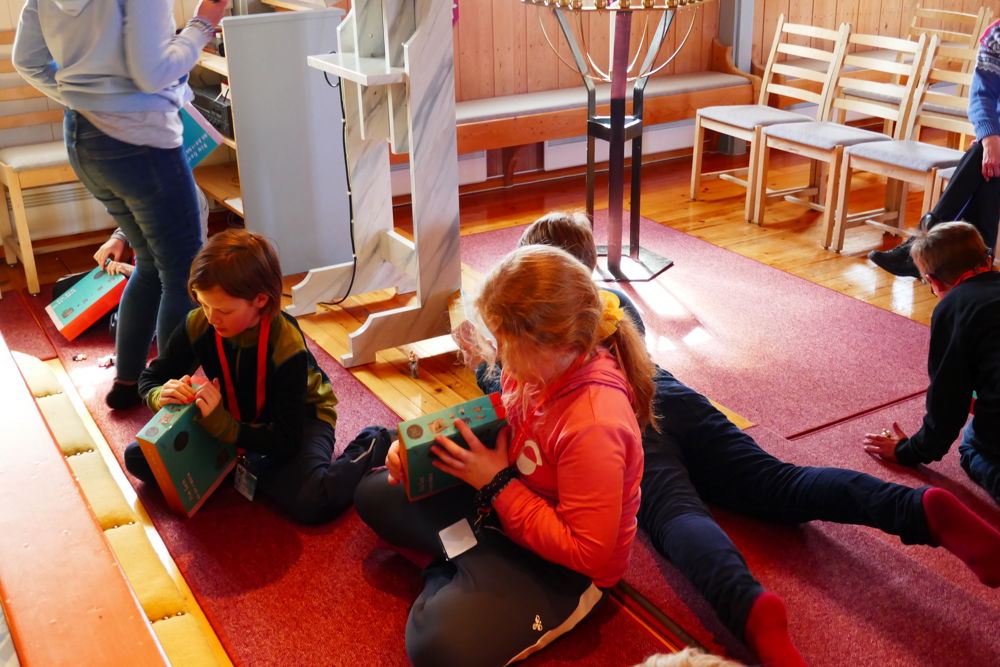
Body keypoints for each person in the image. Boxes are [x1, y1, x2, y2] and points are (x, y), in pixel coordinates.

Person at [464, 211, 1000, 667]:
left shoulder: (553, 374)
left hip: (625, 426)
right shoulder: (611, 308)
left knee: (679, 518)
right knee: (780, 482)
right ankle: (920, 508)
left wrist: (478, 358)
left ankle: (750, 607)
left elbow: (507, 383)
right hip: (674, 399)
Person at [354, 245, 655, 667]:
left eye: (505, 345)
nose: (498, 356)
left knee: (437, 647)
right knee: (373, 493)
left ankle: (459, 566)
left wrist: (497, 484)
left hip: (564, 568)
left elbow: (588, 553)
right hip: (502, 505)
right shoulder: (538, 365)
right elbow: (498, 429)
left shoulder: (594, 424)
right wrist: (415, 450)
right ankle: (469, 566)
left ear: (552, 343)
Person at [12, 0, 228, 410]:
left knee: (149, 264)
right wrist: (203, 25)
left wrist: (88, 100)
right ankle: (169, 402)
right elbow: (152, 73)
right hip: (140, 143)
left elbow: (28, 62)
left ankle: (128, 383)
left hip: (83, 137)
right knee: (182, 274)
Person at [123, 229, 392, 524]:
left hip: (299, 421)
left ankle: (376, 440)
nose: (211, 317)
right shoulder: (199, 323)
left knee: (313, 500)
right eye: (203, 304)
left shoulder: (286, 343)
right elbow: (150, 378)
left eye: (223, 310)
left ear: (261, 300)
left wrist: (224, 428)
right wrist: (158, 394)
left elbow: (287, 439)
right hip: (232, 417)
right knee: (139, 459)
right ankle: (247, 465)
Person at [864, 221, 1000, 505]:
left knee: (971, 442)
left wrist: (908, 450)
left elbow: (947, 403)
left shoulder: (954, 307)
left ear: (934, 281)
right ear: (987, 259)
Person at [869, 18, 1000, 278]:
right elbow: (981, 95)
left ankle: (922, 248)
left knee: (984, 161)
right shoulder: (997, 35)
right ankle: (976, 269)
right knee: (986, 164)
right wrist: (990, 138)